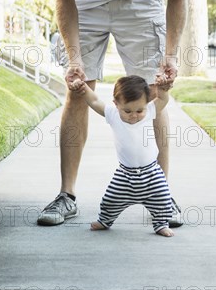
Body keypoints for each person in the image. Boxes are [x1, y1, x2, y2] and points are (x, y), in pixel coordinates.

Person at [37, 0, 186, 227]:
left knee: (152, 92)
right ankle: (66, 195)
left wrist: (171, 55)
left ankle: (160, 197)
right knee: (77, 90)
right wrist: (75, 58)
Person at [71, 74, 175, 236]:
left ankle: (161, 224)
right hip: (125, 175)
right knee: (110, 200)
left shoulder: (149, 112)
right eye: (127, 111)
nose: (133, 115)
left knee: (163, 199)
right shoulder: (113, 114)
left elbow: (163, 100)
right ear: (116, 104)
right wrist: (84, 89)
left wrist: (163, 89)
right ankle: (104, 220)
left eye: (139, 110)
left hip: (152, 174)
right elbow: (95, 101)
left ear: (146, 105)